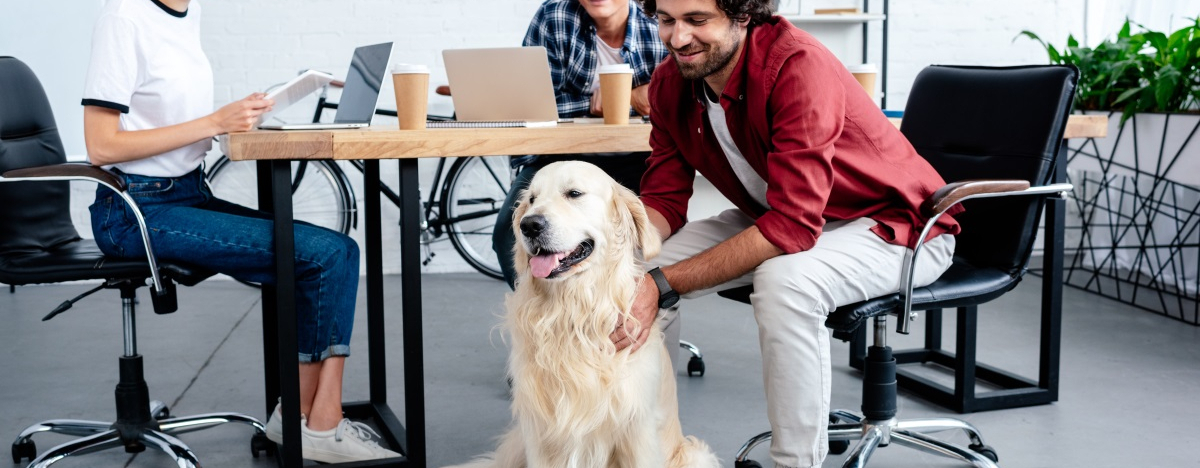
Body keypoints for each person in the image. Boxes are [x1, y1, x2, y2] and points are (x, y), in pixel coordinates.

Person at [613, 0, 964, 467]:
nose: (678, 39)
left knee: (785, 283)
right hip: (791, 215)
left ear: (743, 14)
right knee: (631, 268)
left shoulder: (799, 66)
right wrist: (629, 258)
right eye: (666, 20)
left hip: (898, 227)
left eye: (697, 21)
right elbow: (664, 199)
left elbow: (791, 227)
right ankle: (645, 451)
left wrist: (663, 285)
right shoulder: (670, 82)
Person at [81, 0, 397, 463]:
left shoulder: (189, 13)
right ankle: (318, 424)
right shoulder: (123, 16)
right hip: (133, 210)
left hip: (186, 192)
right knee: (324, 256)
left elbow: (165, 120)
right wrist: (214, 121)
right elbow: (100, 145)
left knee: (340, 250)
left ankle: (305, 416)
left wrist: (244, 118)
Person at [491, 0, 669, 288]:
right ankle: (542, 317)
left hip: (639, 159)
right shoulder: (554, 17)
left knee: (650, 234)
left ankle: (626, 316)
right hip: (556, 160)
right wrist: (602, 101)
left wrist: (630, 99)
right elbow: (532, 103)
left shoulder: (660, 23)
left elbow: (676, 100)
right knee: (505, 235)